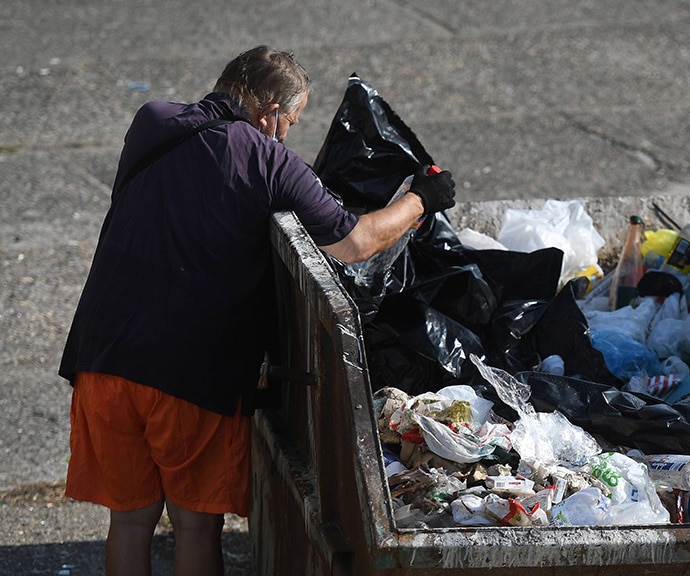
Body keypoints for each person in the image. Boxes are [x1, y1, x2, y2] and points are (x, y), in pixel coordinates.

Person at [58, 45, 455, 576]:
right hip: (188, 377)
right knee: (196, 526)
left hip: (103, 359)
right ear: (270, 113)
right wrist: (421, 200)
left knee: (129, 521)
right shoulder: (269, 160)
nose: (288, 133)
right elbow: (357, 242)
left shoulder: (150, 121)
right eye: (290, 121)